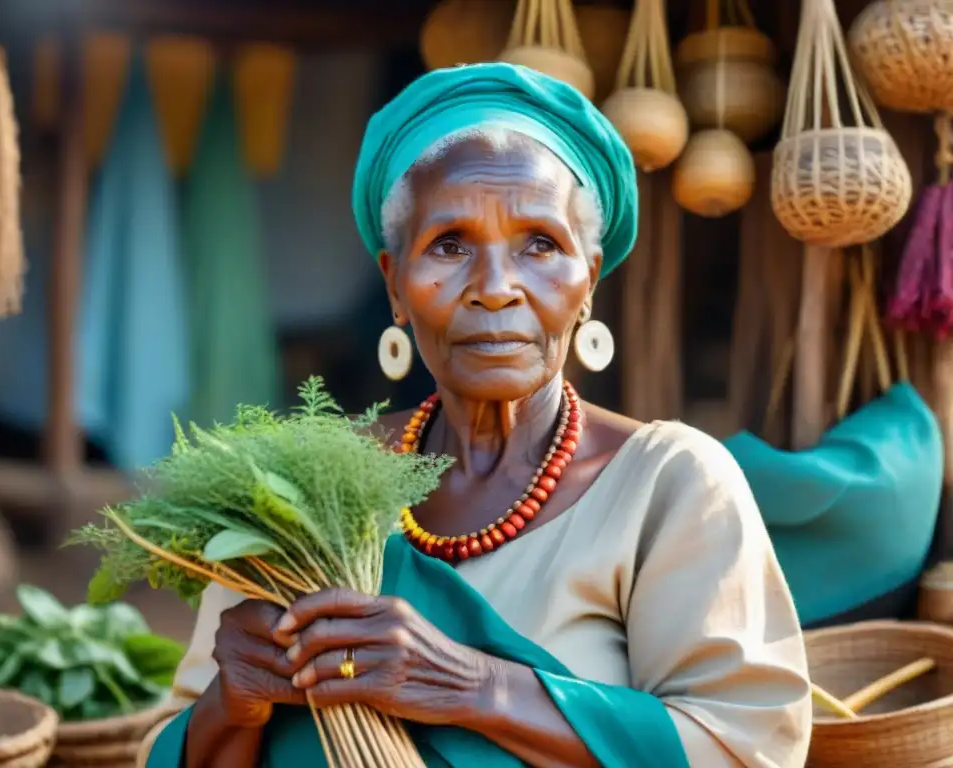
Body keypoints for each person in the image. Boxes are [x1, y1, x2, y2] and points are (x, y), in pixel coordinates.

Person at [140, 63, 812, 768]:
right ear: (394, 284)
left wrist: (470, 684)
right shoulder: (299, 493)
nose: (495, 288)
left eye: (540, 245)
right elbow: (167, 749)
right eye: (450, 245)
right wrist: (232, 703)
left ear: (589, 277)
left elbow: (748, 748)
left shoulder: (668, 487)